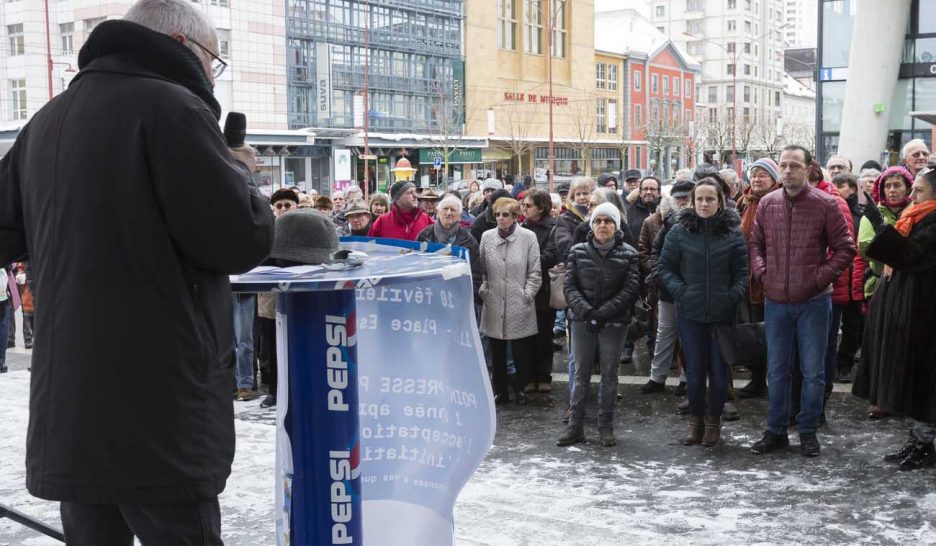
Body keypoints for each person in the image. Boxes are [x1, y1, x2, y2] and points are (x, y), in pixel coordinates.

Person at [0, 0, 275, 541]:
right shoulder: (173, 109)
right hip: (160, 408)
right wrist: (239, 173)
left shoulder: (46, 122)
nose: (211, 76)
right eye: (212, 61)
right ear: (183, 45)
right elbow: (239, 240)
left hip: (73, 408)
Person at [748, 145, 854, 458]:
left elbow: (845, 248)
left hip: (814, 302)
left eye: (795, 165)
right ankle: (776, 429)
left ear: (808, 169)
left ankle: (808, 430)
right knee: (777, 370)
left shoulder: (825, 204)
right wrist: (763, 273)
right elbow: (755, 243)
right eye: (784, 165)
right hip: (777, 300)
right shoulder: (768, 203)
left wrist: (819, 278)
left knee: (813, 371)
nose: (788, 171)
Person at [852, 167, 936, 470]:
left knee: (924, 381)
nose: (912, 195)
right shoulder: (916, 216)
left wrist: (876, 219)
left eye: (919, 190)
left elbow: (910, 256)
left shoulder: (932, 221)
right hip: (910, 309)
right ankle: (918, 439)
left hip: (925, 314)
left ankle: (924, 444)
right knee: (915, 379)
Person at [659, 178, 748, 447]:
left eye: (710, 199)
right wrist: (682, 292)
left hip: (722, 314)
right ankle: (695, 421)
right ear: (693, 201)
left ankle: (713, 422)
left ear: (720, 202)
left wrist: (731, 296)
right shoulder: (679, 231)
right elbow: (665, 268)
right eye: (700, 199)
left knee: (720, 374)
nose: (704, 203)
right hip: (691, 313)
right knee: (695, 373)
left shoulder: (732, 232)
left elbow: (743, 274)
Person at [557, 203, 640, 447]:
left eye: (608, 221)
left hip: (613, 322)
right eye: (598, 221)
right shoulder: (577, 251)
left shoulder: (629, 253)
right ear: (591, 225)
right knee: (581, 374)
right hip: (582, 320)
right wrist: (587, 312)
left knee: (609, 374)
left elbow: (631, 289)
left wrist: (603, 313)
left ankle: (605, 426)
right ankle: (576, 426)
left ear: (616, 225)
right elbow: (569, 286)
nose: (603, 225)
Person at [478, 197, 542, 405]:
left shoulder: (528, 237)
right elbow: (482, 269)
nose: (500, 218)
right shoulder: (487, 237)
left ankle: (520, 388)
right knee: (496, 349)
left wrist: (527, 294)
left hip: (519, 300)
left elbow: (535, 271)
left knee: (520, 349)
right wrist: (485, 290)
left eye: (505, 214)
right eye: (497, 214)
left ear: (515, 217)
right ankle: (500, 391)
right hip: (494, 299)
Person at [639, 179, 693, 394]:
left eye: (685, 198)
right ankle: (657, 377)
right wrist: (662, 277)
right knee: (664, 334)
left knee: (687, 336)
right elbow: (655, 251)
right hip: (668, 289)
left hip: (690, 290)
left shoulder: (698, 222)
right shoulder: (669, 222)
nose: (682, 202)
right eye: (678, 198)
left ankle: (686, 378)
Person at [734, 158, 781, 399]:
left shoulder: (779, 201)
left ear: (774, 179)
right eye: (754, 174)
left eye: (763, 174)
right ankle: (757, 377)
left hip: (769, 275)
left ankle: (775, 381)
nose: (757, 178)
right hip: (745, 275)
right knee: (751, 330)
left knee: (770, 331)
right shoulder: (744, 201)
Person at [830, 173, 869, 383]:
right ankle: (836, 363)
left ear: (854, 189)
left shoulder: (861, 211)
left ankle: (844, 363)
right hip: (839, 275)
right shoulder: (830, 207)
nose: (835, 188)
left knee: (853, 323)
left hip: (856, 275)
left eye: (841, 185)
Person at [520, 189, 557, 394]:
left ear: (541, 208)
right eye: (523, 205)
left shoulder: (552, 228)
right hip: (522, 287)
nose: (523, 208)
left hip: (543, 289)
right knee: (525, 336)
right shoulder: (522, 226)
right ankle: (528, 375)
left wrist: (524, 263)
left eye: (528, 205)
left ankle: (544, 375)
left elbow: (551, 256)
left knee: (544, 335)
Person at [620, 175, 660, 363]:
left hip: (655, 270)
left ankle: (653, 346)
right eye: (646, 189)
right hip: (632, 268)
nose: (649, 192)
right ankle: (627, 346)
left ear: (658, 192)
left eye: (653, 189)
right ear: (640, 191)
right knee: (630, 310)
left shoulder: (663, 212)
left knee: (652, 311)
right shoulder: (629, 211)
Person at [416, 194, 482, 300]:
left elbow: (476, 276)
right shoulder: (424, 236)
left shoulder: (469, 241)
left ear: (460, 215)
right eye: (445, 209)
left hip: (456, 299)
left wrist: (466, 298)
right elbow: (415, 267)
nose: (448, 213)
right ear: (438, 212)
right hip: (427, 296)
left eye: (453, 210)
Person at [368, 180, 434, 241]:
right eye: (410, 192)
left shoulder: (426, 220)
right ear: (398, 198)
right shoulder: (382, 221)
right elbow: (370, 247)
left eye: (415, 192)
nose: (415, 195)